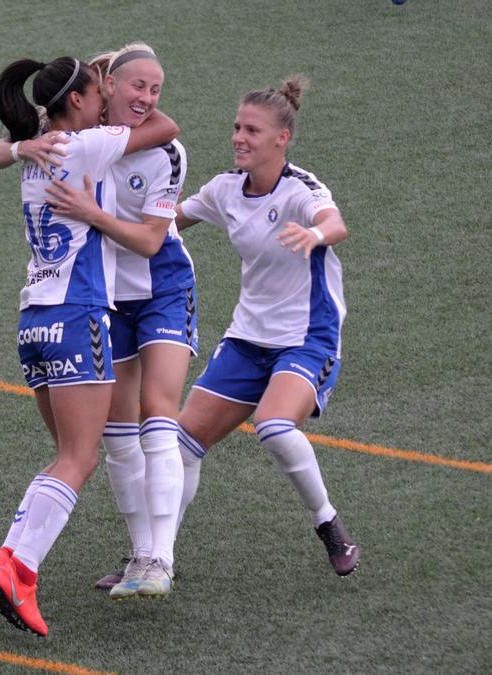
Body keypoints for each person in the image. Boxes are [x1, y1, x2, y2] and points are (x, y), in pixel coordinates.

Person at [0, 43, 195, 601]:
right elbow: (165, 126)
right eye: (117, 88)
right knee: (81, 456)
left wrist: (19, 145)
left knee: (73, 454)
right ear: (83, 99)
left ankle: (12, 555)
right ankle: (21, 566)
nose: (144, 99)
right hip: (82, 315)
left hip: (33, 321)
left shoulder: (42, 146)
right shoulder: (90, 145)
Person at [172, 75, 360, 577]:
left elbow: (335, 223)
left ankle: (329, 526)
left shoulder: (301, 189)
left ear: (282, 138)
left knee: (275, 427)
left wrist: (315, 233)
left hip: (306, 338)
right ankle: (156, 556)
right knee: (181, 443)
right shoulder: (225, 190)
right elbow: (166, 222)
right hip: (245, 338)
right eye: (237, 126)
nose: (239, 137)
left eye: (252, 130)